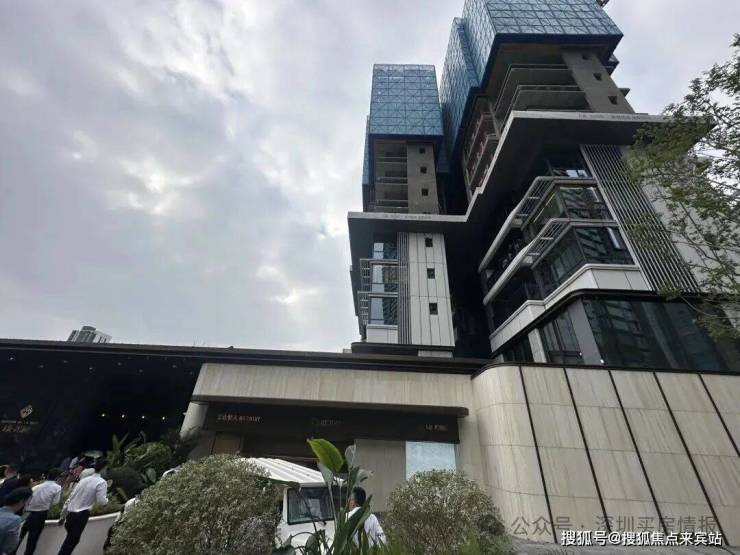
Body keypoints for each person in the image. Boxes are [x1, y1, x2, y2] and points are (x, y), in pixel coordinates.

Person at [57, 460, 108, 555]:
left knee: (70, 541)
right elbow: (101, 501)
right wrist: (106, 500)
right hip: (81, 515)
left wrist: (63, 515)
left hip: (70, 515)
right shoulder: (101, 482)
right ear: (104, 468)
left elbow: (71, 497)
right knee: (71, 542)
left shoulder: (84, 480)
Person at [18, 469, 62, 555]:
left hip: (28, 513)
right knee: (32, 540)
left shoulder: (36, 487)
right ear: (57, 477)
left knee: (20, 536)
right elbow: (55, 502)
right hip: (41, 514)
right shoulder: (57, 488)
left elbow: (28, 500)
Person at [0, 488, 32, 555]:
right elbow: (9, 546)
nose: (27, 506)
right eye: (28, 503)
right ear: (21, 502)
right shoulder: (14, 520)